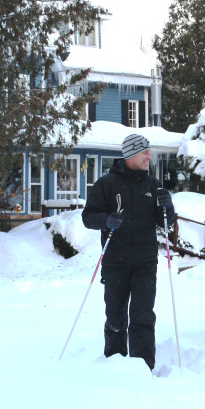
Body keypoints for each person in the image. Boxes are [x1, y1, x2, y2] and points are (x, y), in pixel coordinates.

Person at [82, 133, 176, 370]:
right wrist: (106, 220)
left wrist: (168, 207)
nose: (149, 157)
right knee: (115, 314)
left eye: (149, 152)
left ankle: (143, 365)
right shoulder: (106, 184)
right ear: (131, 154)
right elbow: (88, 217)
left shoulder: (153, 185)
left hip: (145, 261)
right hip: (116, 261)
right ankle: (115, 362)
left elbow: (164, 222)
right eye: (145, 152)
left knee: (143, 314)